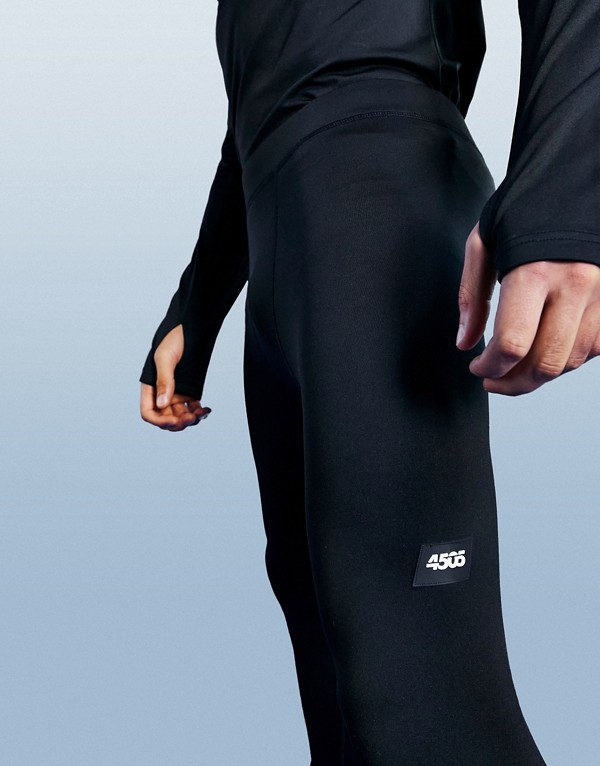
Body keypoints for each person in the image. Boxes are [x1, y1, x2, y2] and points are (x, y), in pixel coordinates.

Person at [139, 1, 600, 763]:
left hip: (378, 200)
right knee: (339, 681)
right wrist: (197, 306)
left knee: (421, 695)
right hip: (287, 236)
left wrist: (566, 200)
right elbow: (259, 107)